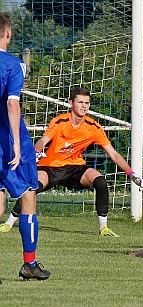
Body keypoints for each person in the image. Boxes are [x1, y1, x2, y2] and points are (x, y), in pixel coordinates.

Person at [0, 87, 143, 237]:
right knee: (31, 188)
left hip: (75, 168)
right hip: (51, 166)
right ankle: (9, 223)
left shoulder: (94, 127)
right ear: (71, 103)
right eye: (80, 102)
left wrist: (131, 173)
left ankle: (104, 228)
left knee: (100, 181)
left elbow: (113, 154)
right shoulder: (60, 121)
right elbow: (42, 141)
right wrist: (36, 152)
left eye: (87, 103)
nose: (84, 106)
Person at [0, 12, 50, 280]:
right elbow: (11, 102)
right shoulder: (14, 64)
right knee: (28, 196)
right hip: (8, 144)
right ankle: (29, 264)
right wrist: (18, 145)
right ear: (8, 33)